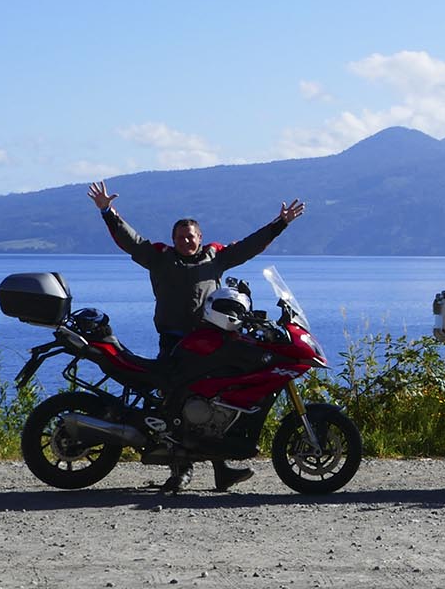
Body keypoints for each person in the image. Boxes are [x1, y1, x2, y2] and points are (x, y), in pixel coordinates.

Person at [87, 181, 304, 492]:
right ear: (173, 239)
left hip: (211, 341)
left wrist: (279, 224)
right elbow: (130, 241)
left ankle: (222, 467)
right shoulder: (160, 257)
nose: (186, 240)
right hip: (175, 341)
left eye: (191, 236)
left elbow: (248, 246)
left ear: (200, 238)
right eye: (180, 236)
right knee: (172, 402)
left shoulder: (216, 257)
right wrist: (107, 211)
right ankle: (179, 472)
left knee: (216, 399)